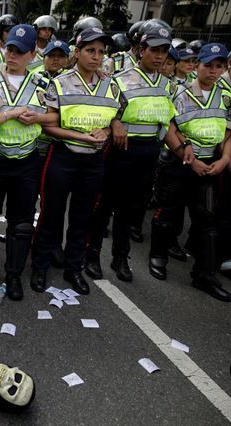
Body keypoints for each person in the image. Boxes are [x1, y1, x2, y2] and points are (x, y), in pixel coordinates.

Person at [30, 28, 119, 295]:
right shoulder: (59, 83)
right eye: (90, 50)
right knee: (51, 214)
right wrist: (81, 136)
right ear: (77, 52)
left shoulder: (111, 85)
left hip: (93, 163)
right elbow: (49, 126)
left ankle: (74, 268)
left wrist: (109, 130)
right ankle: (40, 267)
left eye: (101, 52)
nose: (96, 56)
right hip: (63, 157)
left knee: (83, 218)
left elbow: (116, 119)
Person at [85, 26, 176, 283]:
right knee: (105, 205)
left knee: (131, 208)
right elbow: (103, 109)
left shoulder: (167, 85)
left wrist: (182, 149)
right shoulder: (119, 79)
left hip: (149, 153)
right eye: (154, 50)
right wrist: (114, 122)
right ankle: (92, 254)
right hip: (120, 150)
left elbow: (167, 123)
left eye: (163, 51)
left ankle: (120, 257)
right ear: (140, 50)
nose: (159, 56)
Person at [0, 25, 54, 300]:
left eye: (20, 51)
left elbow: (56, 117)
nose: (13, 55)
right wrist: (10, 115)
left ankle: (13, 274)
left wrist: (39, 119)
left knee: (21, 224)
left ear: (33, 54)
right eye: (10, 49)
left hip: (26, 160)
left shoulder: (43, 84)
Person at [149, 43, 231, 302]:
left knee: (206, 222)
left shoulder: (226, 95)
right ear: (197, 66)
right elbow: (169, 128)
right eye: (209, 65)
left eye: (220, 66)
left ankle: (204, 275)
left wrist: (225, 159)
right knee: (168, 213)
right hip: (179, 163)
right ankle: (158, 256)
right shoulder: (178, 92)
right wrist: (185, 152)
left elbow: (228, 134)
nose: (214, 71)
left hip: (209, 166)